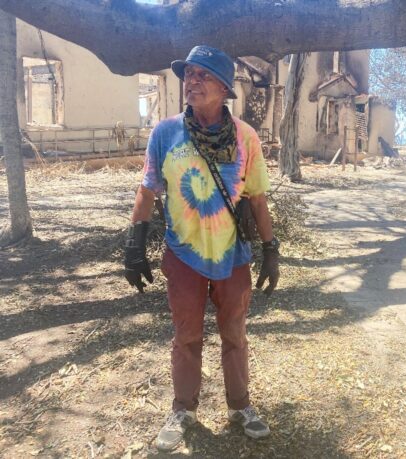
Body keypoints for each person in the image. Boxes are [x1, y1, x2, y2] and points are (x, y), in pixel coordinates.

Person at [123, 45, 280, 452]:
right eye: (188, 74)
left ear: (224, 88)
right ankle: (183, 409)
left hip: (232, 257)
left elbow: (259, 199)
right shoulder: (166, 133)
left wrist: (271, 249)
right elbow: (147, 192)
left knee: (235, 334)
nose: (191, 81)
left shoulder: (245, 138)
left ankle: (240, 406)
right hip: (183, 256)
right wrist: (134, 245)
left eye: (202, 75)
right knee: (187, 337)